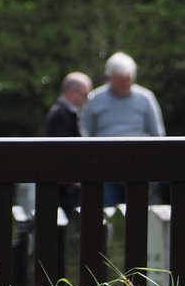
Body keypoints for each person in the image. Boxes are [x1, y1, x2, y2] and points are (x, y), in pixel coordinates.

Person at [80, 52, 165, 209]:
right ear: (110, 78)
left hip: (138, 169)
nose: (126, 84)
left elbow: (158, 134)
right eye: (121, 80)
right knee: (107, 213)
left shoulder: (146, 98)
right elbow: (85, 133)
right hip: (105, 170)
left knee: (139, 212)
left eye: (129, 79)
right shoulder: (95, 99)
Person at [43, 71, 92, 211]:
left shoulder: (67, 113)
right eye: (86, 94)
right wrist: (71, 181)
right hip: (64, 189)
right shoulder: (60, 115)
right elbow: (59, 152)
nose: (88, 99)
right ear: (72, 92)